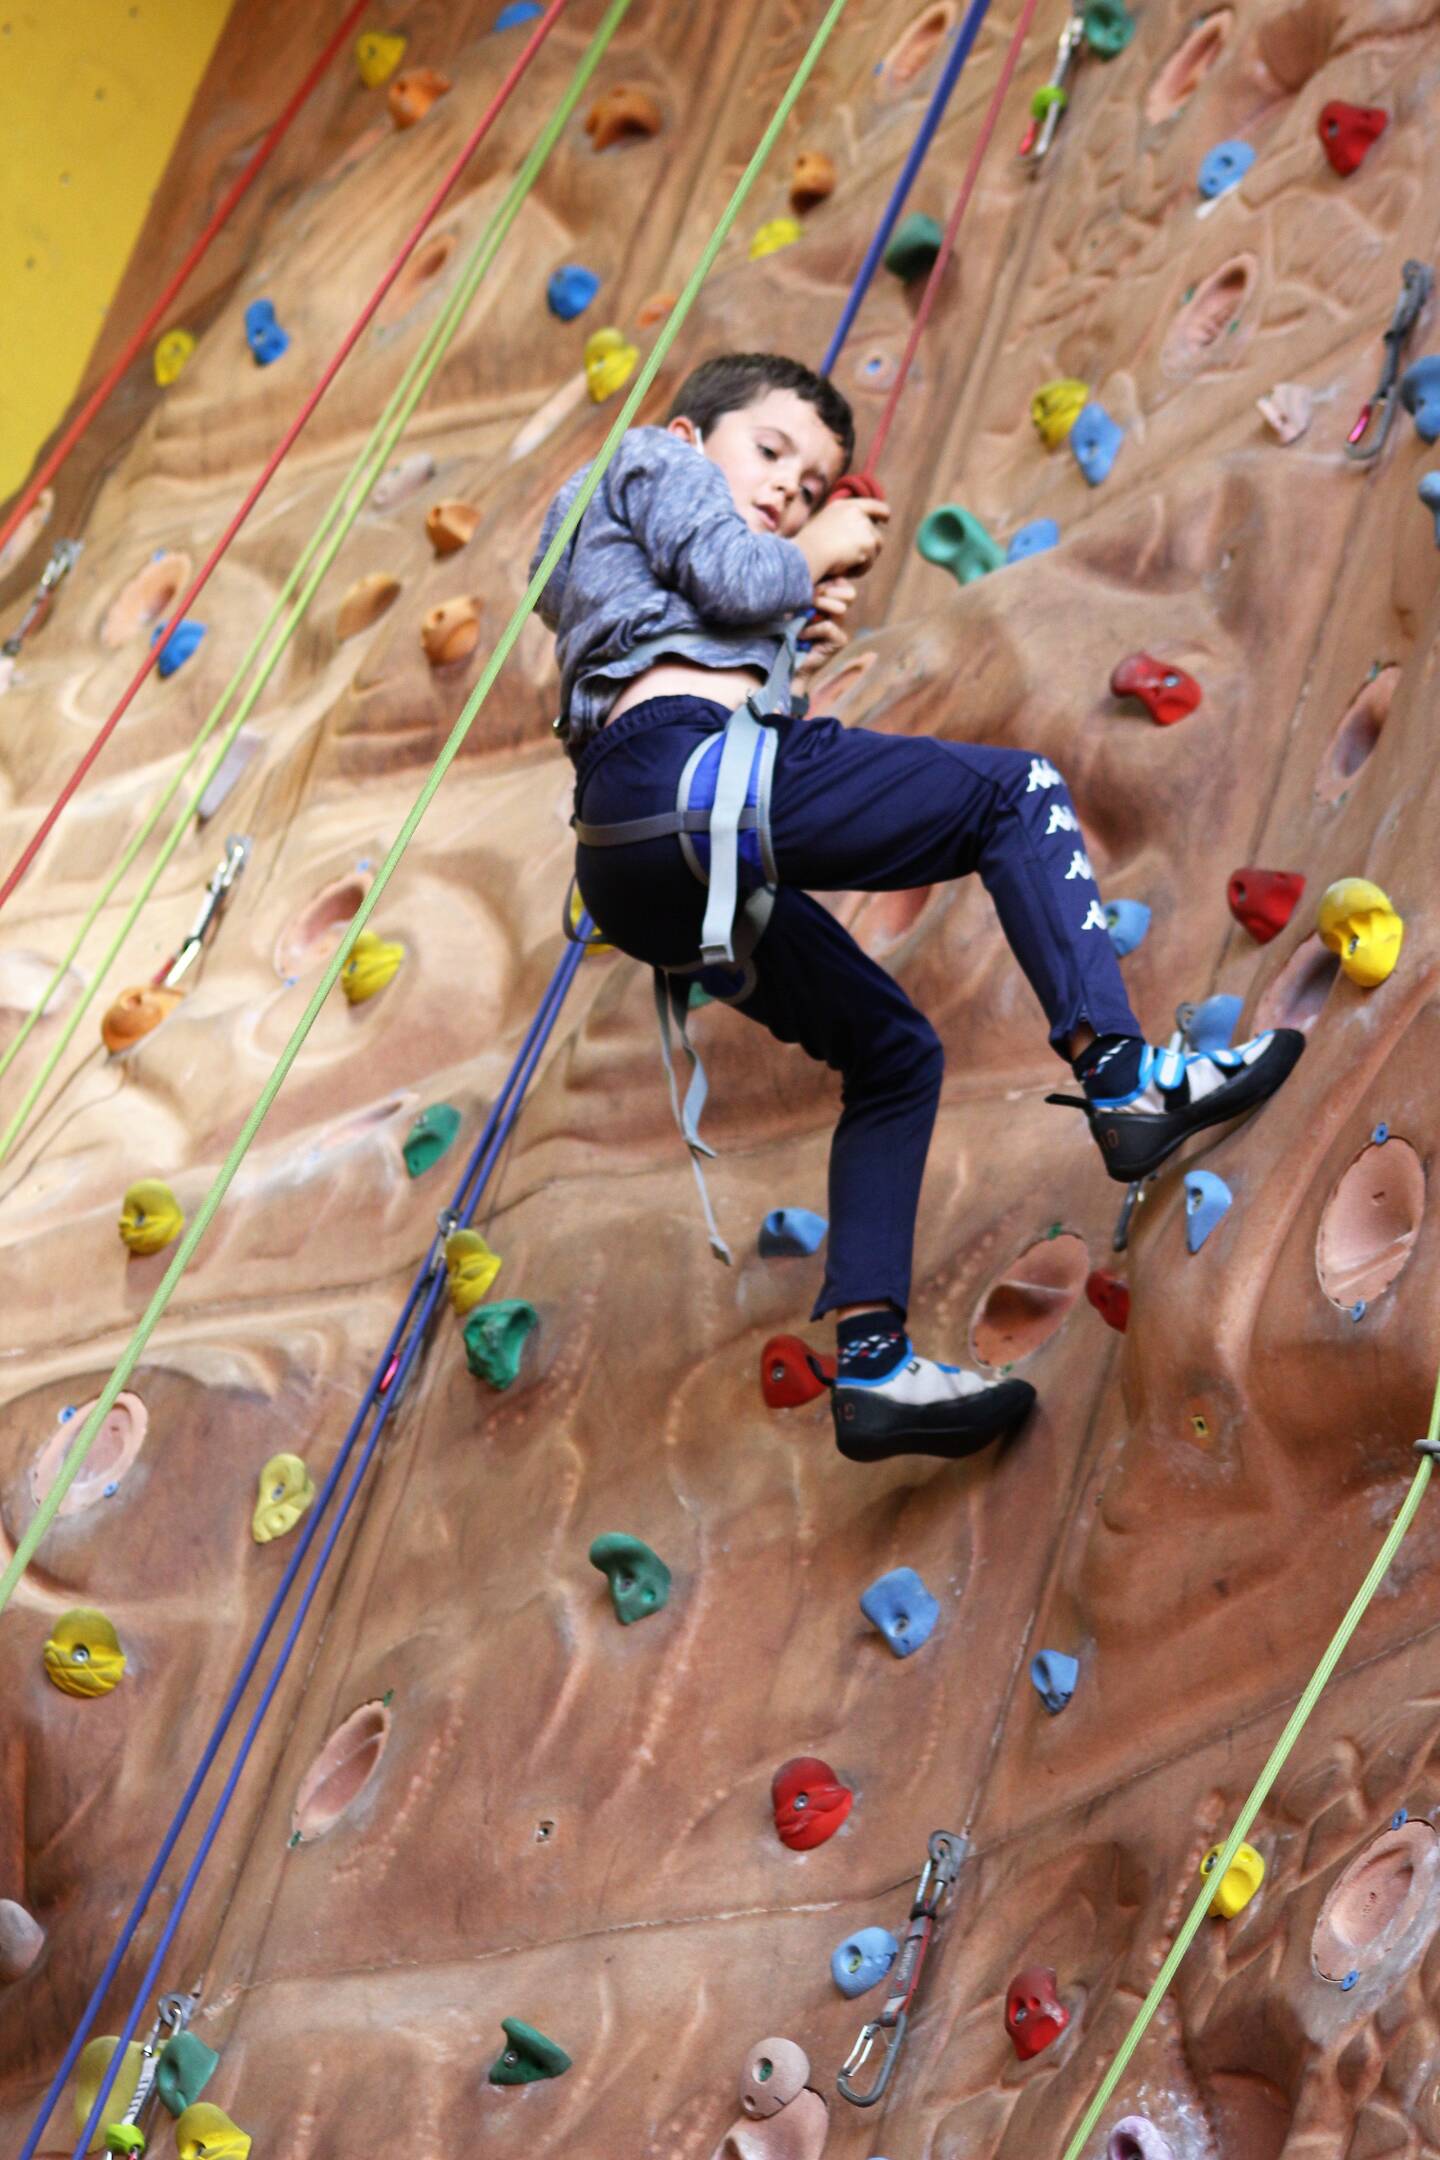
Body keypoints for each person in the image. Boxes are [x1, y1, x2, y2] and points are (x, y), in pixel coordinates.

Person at [531, 353, 1302, 1464]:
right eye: (774, 453)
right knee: (1018, 794)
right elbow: (736, 574)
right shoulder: (657, 459)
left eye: (809, 486)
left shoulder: (643, 562)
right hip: (689, 780)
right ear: (695, 438)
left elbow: (716, 604)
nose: (789, 488)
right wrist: (804, 560)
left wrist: (785, 631)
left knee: (894, 1053)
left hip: (644, 855)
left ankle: (877, 1362)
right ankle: (1123, 1076)